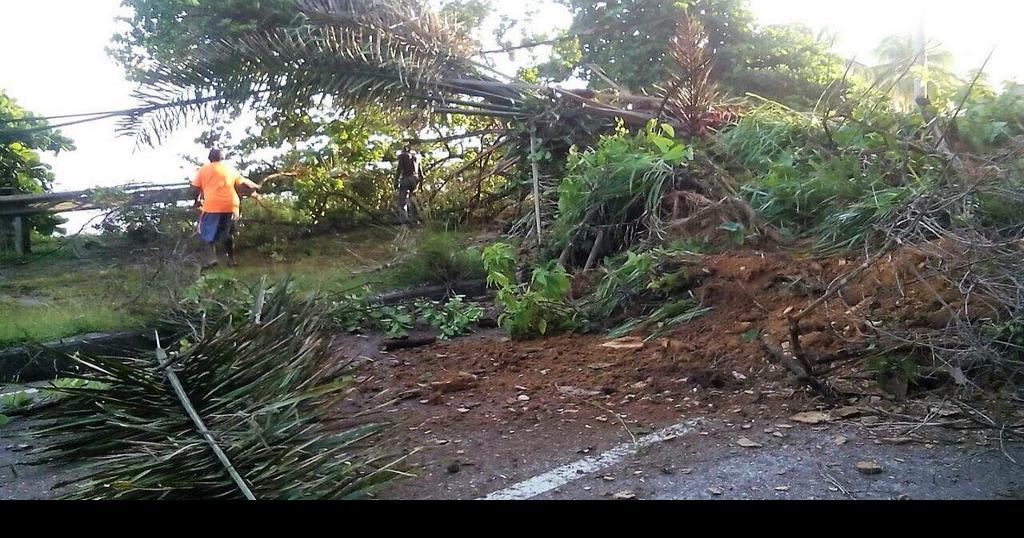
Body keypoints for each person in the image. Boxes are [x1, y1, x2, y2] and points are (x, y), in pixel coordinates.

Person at [191, 148, 261, 269]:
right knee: (228, 234)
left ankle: (212, 259)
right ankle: (231, 260)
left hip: (212, 206)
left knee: (206, 233)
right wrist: (257, 186)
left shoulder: (203, 170)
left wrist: (196, 201)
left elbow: (195, 188)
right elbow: (245, 183)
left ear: (209, 158)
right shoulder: (230, 169)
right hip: (231, 205)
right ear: (222, 158)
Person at [395, 144, 424, 224]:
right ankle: (416, 219)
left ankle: (404, 221)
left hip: (406, 178)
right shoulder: (417, 157)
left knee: (402, 201)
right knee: (413, 199)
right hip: (415, 179)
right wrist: (421, 186)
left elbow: (399, 169)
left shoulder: (403, 155)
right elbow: (421, 174)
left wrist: (396, 181)